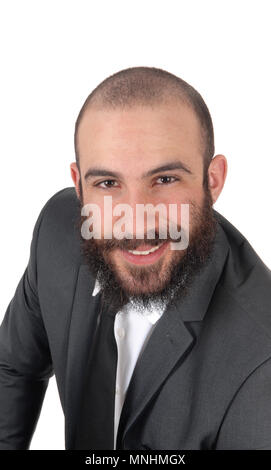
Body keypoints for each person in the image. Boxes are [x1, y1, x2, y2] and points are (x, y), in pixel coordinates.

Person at [0, 66, 271, 450]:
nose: (136, 220)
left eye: (164, 180)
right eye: (108, 184)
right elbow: (13, 367)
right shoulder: (56, 233)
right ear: (79, 187)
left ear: (213, 180)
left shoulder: (262, 365)